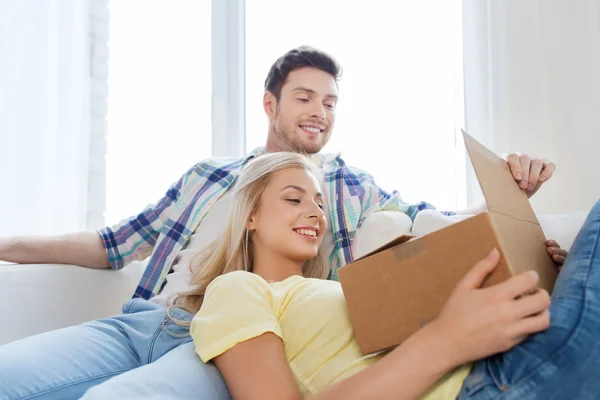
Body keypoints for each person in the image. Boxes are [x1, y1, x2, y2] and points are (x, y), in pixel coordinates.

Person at [0, 46, 559, 399]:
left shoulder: (351, 186)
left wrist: (510, 196)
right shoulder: (208, 175)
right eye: (306, 97)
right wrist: (10, 245)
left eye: (332, 102)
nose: (320, 111)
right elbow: (113, 243)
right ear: (271, 104)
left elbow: (435, 224)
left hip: (231, 345)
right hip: (148, 321)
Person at [175, 151, 596, 400]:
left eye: (320, 203)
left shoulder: (348, 288)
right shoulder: (234, 289)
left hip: (513, 360)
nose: (314, 212)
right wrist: (445, 342)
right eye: (293, 198)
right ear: (251, 215)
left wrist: (542, 276)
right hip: (489, 386)